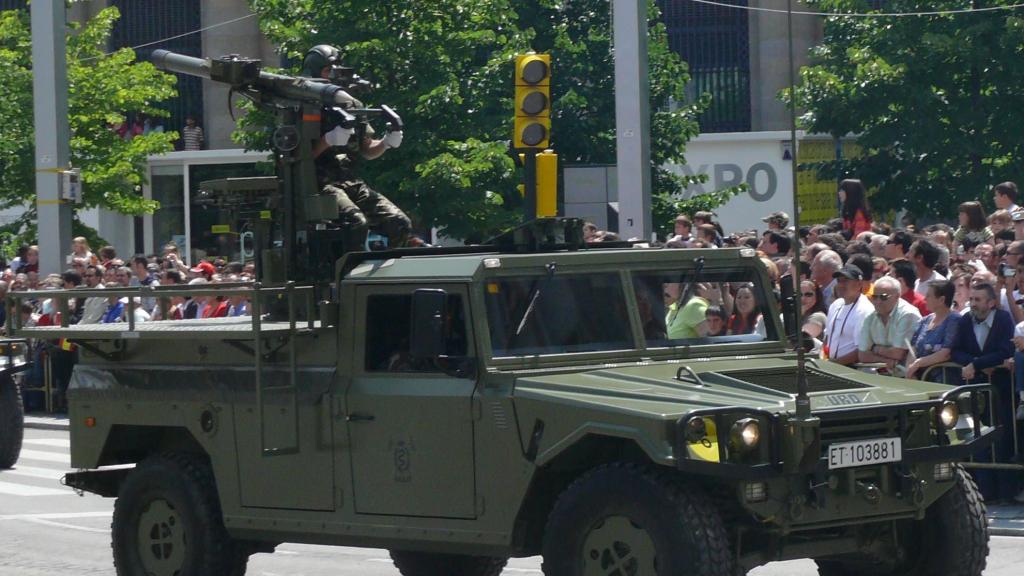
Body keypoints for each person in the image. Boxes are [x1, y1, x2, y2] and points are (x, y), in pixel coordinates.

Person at [303, 45, 411, 250]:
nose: (333, 76)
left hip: (351, 182)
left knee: (399, 223)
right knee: (356, 224)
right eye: (327, 70)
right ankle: (348, 275)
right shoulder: (304, 108)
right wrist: (327, 140)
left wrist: (387, 142)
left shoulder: (351, 105)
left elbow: (367, 149)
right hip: (321, 185)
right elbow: (299, 157)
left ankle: (387, 274)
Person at [856, 277, 921, 375]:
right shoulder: (870, 317)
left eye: (883, 297)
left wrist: (874, 348)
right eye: (875, 297)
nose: (878, 301)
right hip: (880, 374)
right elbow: (862, 355)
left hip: (905, 376)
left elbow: (897, 353)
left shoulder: (908, 314)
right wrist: (887, 361)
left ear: (897, 296)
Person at [907, 281, 960, 382]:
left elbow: (945, 353)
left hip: (942, 380)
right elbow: (912, 348)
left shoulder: (954, 320)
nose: (924, 299)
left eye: (928, 296)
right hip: (919, 379)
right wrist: (910, 370)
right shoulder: (924, 321)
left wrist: (918, 363)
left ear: (941, 300)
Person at [823, 264, 874, 366]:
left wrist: (833, 365)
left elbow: (861, 351)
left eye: (846, 280)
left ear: (859, 284)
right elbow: (827, 339)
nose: (841, 285)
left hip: (854, 370)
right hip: (833, 367)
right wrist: (824, 360)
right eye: (839, 281)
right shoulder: (835, 305)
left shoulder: (865, 310)